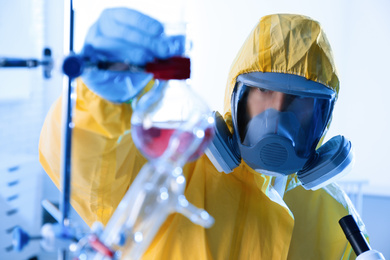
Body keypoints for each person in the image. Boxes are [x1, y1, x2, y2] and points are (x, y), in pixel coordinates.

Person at [39, 8, 360, 259]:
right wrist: (99, 101)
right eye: (263, 92)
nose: (277, 115)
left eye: (299, 102)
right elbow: (84, 161)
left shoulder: (336, 216)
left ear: (323, 115)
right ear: (236, 96)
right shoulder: (171, 168)